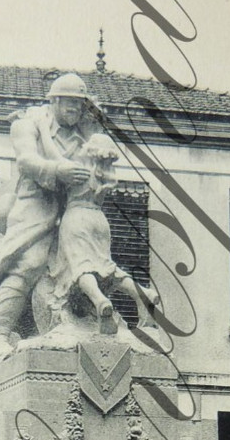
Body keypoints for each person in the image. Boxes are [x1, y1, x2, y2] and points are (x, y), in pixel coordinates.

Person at [0, 73, 99, 363]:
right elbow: (26, 160)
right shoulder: (26, 124)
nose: (75, 111)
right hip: (35, 204)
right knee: (28, 263)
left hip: (72, 209)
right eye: (70, 104)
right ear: (54, 100)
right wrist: (57, 171)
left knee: (84, 267)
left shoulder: (83, 133)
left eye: (80, 105)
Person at [49, 132, 159, 335]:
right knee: (107, 267)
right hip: (99, 220)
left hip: (76, 217)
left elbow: (52, 165)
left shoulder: (77, 170)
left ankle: (99, 301)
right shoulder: (107, 173)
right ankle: (143, 293)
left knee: (81, 267)